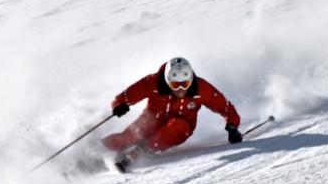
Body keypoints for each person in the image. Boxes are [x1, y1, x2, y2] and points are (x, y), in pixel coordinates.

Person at [102, 57, 243, 171]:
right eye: (175, 85)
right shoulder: (153, 82)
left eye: (185, 84)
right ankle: (97, 151)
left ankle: (144, 150)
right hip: (152, 118)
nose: (181, 90)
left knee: (177, 125)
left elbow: (225, 108)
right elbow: (124, 97)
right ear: (168, 81)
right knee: (129, 136)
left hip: (180, 127)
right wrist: (119, 105)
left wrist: (232, 126)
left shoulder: (201, 89)